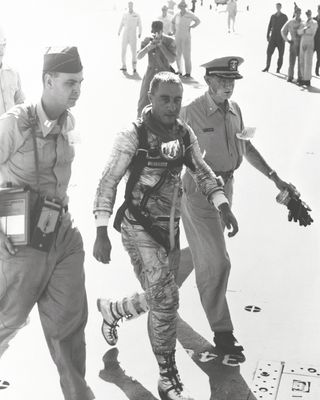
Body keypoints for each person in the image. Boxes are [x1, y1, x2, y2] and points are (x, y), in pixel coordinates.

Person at [95, 57, 297, 365]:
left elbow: (246, 149)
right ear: (210, 82)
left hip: (223, 192)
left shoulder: (234, 111)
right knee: (217, 263)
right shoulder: (189, 112)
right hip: (196, 196)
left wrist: (274, 178)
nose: (230, 85)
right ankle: (224, 335)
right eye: (224, 81)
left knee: (196, 259)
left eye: (233, 80)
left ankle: (121, 308)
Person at [93, 71, 238, 400]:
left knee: (161, 295)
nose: (172, 106)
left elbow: (200, 169)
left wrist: (221, 202)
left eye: (177, 100)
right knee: (168, 299)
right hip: (137, 227)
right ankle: (167, 375)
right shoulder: (132, 136)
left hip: (168, 231)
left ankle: (114, 310)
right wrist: (101, 229)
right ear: (151, 99)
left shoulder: (184, 135)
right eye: (164, 99)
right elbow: (107, 182)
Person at [0, 47, 94, 400]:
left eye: (81, 83)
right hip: (18, 231)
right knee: (7, 319)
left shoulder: (69, 122)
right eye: (70, 82)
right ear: (47, 80)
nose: (77, 90)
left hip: (61, 231)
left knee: (69, 329)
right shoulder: (15, 122)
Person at [137, 20, 176, 117]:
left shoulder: (170, 41)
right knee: (143, 102)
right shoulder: (147, 40)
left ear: (162, 30)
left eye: (158, 32)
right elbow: (138, 56)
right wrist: (148, 47)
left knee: (166, 102)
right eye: (154, 32)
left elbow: (172, 60)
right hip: (150, 75)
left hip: (165, 76)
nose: (156, 34)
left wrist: (161, 45)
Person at [172, 1, 200, 78]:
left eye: (183, 6)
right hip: (178, 36)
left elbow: (198, 21)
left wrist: (192, 26)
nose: (182, 7)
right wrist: (173, 31)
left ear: (185, 6)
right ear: (179, 7)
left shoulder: (190, 14)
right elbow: (172, 22)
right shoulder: (177, 14)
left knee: (186, 55)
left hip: (186, 36)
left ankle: (188, 73)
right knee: (178, 54)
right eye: (181, 6)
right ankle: (180, 71)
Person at [0, 27, 25, 116]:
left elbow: (20, 103)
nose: (1, 50)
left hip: (12, 128)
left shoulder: (13, 73)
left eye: (3, 45)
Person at [262, 3, 288, 73]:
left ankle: (278, 68)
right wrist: (267, 36)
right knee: (268, 52)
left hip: (281, 38)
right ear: (276, 7)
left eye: (279, 6)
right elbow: (269, 26)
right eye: (277, 6)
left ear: (281, 7)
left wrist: (285, 37)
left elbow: (287, 28)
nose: (278, 8)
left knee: (281, 54)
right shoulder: (273, 16)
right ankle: (267, 67)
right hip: (273, 38)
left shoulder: (284, 17)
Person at [118, 1, 142, 73]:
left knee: (134, 51)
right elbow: (121, 23)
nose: (130, 6)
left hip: (133, 35)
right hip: (125, 34)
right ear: (128, 6)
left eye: (131, 5)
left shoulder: (137, 15)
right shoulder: (125, 14)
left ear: (133, 5)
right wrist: (119, 31)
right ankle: (123, 65)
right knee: (123, 50)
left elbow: (140, 24)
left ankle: (134, 67)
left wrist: (140, 32)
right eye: (129, 5)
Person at [281, 7, 302, 82]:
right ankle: (290, 76)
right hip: (293, 43)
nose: (298, 14)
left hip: (301, 44)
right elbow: (283, 31)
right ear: (294, 13)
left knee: (300, 62)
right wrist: (287, 40)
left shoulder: (303, 22)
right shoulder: (290, 22)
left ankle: (300, 78)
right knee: (292, 61)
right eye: (297, 12)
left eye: (299, 13)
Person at [297, 9, 318, 86]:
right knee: (302, 60)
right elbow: (298, 32)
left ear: (311, 13)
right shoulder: (303, 22)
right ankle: (303, 78)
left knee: (308, 61)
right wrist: (305, 29)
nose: (308, 15)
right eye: (306, 13)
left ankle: (307, 79)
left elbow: (312, 32)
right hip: (303, 41)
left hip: (310, 41)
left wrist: (304, 30)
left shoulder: (314, 22)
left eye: (309, 13)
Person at [313, 5, 320, 76]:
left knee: (319, 58)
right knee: (309, 56)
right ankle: (308, 70)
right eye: (319, 10)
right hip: (312, 41)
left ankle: (316, 70)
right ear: (317, 10)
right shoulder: (313, 19)